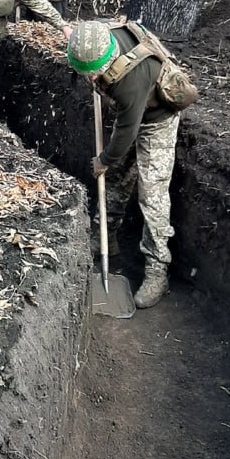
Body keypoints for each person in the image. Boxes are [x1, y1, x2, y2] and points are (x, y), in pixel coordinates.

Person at [66, 19, 181, 309]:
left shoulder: (130, 82)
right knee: (117, 178)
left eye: (94, 74)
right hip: (132, 110)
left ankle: (157, 269)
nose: (92, 78)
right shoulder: (97, 38)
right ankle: (105, 238)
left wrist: (104, 160)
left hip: (158, 118)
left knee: (152, 195)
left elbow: (126, 132)